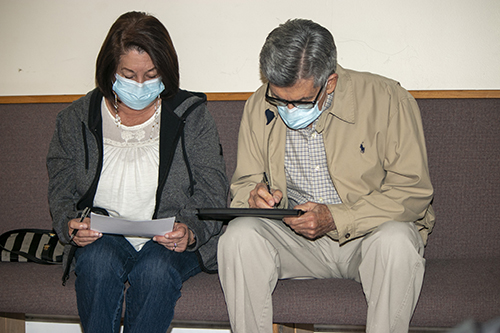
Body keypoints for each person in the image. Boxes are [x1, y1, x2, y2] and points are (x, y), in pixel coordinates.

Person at [218, 19, 435, 333]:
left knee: (397, 242)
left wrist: (337, 217)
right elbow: (243, 185)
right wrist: (253, 196)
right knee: (238, 236)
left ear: (330, 82)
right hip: (295, 242)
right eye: (280, 99)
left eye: (301, 100)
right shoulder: (258, 105)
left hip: (368, 239)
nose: (288, 109)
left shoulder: (388, 99)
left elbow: (413, 192)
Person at [47, 11, 228, 333]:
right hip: (104, 236)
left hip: (169, 238)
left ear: (166, 72)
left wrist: (189, 230)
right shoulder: (75, 118)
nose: (141, 85)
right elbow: (61, 190)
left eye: (151, 75)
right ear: (109, 72)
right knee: (97, 264)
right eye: (129, 75)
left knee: (155, 271)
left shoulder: (192, 116)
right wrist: (70, 224)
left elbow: (213, 190)